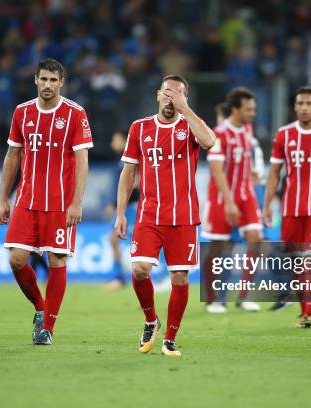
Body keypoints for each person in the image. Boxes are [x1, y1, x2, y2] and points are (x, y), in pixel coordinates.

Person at [115, 74, 216, 357]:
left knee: (180, 279)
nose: (171, 98)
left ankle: (170, 338)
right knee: (138, 270)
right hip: (149, 214)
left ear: (184, 98)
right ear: (158, 95)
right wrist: (121, 211)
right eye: (167, 93)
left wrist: (186, 109)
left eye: (178, 94)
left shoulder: (190, 126)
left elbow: (210, 142)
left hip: (183, 217)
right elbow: (128, 173)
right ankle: (151, 320)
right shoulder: (140, 128)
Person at [0, 59, 92, 346]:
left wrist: (77, 202)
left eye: (53, 80)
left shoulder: (75, 113)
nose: (48, 85)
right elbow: (12, 156)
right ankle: (40, 307)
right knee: (16, 259)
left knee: (56, 260)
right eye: (44, 79)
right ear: (35, 80)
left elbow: (81, 161)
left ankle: (47, 327)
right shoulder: (22, 112)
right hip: (26, 199)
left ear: (61, 82)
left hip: (61, 203)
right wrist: (3, 198)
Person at [263, 86, 311, 328]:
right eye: (300, 104)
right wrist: (267, 204)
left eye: (309, 103)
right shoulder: (284, 135)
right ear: (295, 107)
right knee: (295, 263)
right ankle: (304, 309)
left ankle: (309, 314)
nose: (304, 108)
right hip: (290, 210)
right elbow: (274, 173)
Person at [201, 87, 263, 313]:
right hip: (222, 197)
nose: (252, 113)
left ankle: (244, 295)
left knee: (256, 238)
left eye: (253, 109)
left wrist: (251, 174)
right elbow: (216, 170)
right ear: (235, 109)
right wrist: (228, 202)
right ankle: (213, 298)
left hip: (246, 195)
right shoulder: (218, 133)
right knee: (218, 248)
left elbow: (243, 159)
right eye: (249, 109)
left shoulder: (247, 128)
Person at [104, 129, 139, 290]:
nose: (113, 143)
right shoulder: (121, 160)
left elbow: (134, 185)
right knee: (113, 239)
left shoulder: (134, 158)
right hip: (123, 207)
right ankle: (119, 277)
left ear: (125, 141)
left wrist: (119, 204)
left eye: (116, 139)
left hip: (132, 207)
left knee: (137, 243)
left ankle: (149, 276)